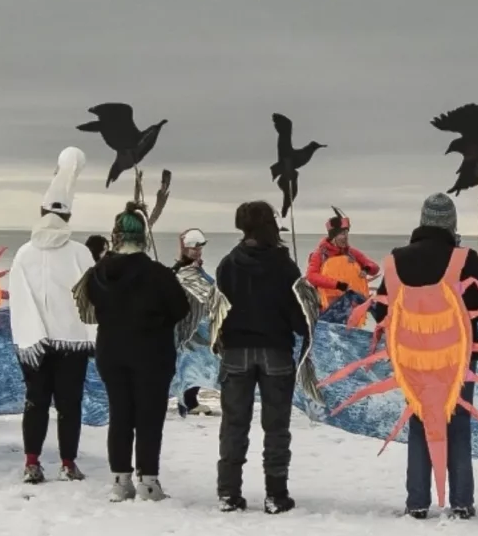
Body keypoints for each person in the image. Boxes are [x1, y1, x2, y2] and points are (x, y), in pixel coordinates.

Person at [382, 193, 478, 519]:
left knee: (419, 424)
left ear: (422, 221)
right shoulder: (464, 258)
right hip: (458, 358)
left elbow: (380, 309)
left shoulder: (397, 258)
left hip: (413, 360)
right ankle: (461, 502)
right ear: (451, 223)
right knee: (458, 426)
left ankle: (417, 503)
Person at [83, 205, 191, 501]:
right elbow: (181, 309)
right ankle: (148, 481)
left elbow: (92, 304)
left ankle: (120, 481)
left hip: (110, 350)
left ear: (116, 236)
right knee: (149, 416)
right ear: (143, 236)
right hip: (151, 352)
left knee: (120, 414)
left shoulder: (97, 273)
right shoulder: (157, 273)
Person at [4, 149, 95, 484]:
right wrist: (94, 335)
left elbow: (19, 301)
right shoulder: (81, 253)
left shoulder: (25, 253)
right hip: (73, 342)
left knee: (36, 402)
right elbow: (93, 300)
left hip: (34, 342)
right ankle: (68, 463)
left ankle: (32, 462)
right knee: (70, 405)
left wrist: (31, 333)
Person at [214, 201, 309, 514]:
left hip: (236, 352)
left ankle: (229, 493)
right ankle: (276, 495)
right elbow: (299, 318)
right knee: (276, 426)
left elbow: (219, 313)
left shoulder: (227, 264)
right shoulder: (286, 266)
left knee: (233, 425)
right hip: (276, 351)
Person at [173, 229, 218, 417]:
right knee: (190, 362)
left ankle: (188, 399)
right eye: (194, 248)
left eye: (199, 248)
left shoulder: (196, 269)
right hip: (188, 324)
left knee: (198, 362)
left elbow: (211, 289)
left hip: (200, 323)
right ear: (185, 249)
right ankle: (187, 401)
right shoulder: (181, 271)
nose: (197, 251)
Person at [305, 212, 379, 308]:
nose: (346, 237)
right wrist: (338, 285)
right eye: (342, 234)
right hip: (327, 306)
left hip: (351, 306)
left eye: (347, 233)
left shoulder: (351, 252)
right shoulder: (319, 255)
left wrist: (366, 269)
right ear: (333, 236)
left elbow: (375, 267)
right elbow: (311, 276)